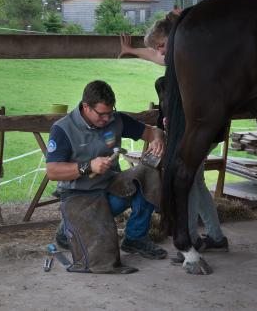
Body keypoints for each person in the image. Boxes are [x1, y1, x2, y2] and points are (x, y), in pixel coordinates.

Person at [118, 16, 229, 255]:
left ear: (176, 37)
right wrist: (131, 50)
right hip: (201, 129)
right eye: (157, 47)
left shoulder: (194, 59)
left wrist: (178, 119)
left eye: (161, 44)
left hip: (201, 129)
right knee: (196, 182)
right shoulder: (177, 58)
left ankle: (188, 240)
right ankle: (216, 236)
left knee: (186, 181)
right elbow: (155, 56)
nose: (160, 51)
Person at [47, 80, 168, 260]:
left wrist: (158, 138)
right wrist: (88, 166)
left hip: (110, 189)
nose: (107, 119)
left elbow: (152, 132)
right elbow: (53, 171)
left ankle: (135, 238)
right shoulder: (63, 129)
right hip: (80, 196)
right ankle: (68, 229)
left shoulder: (116, 119)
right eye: (102, 114)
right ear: (86, 107)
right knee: (103, 256)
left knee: (148, 173)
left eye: (110, 113)